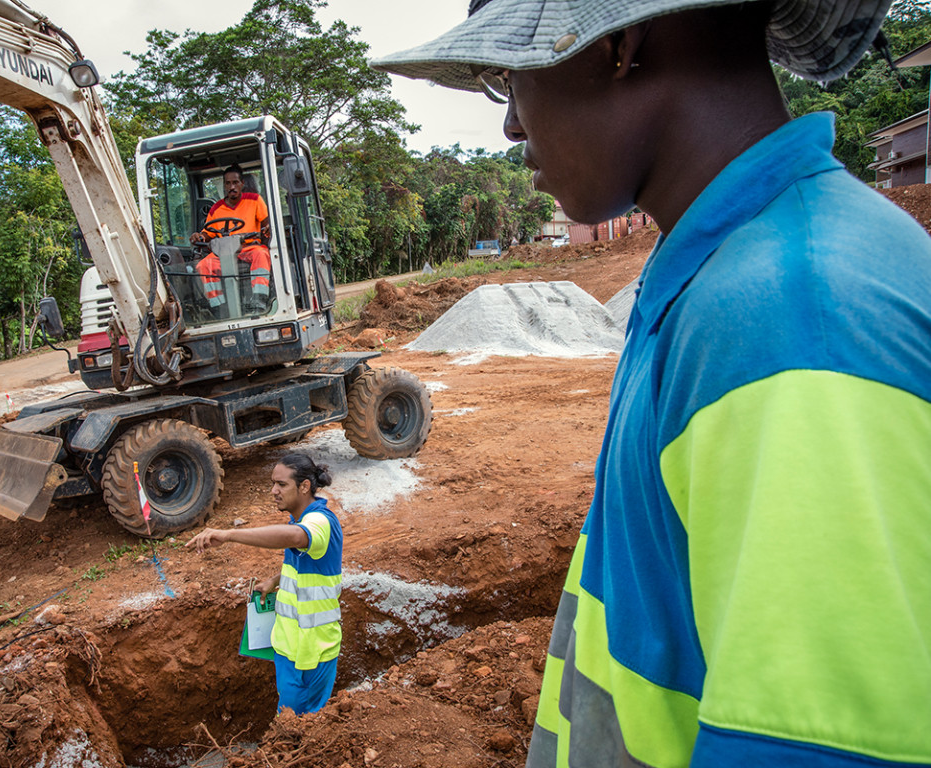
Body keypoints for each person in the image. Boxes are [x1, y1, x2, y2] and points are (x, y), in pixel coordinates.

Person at [376, 2, 931, 767]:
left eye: (512, 78)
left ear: (617, 45)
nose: (509, 126)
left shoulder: (788, 316)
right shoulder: (728, 276)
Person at [187, 453, 342, 715]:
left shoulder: (320, 522)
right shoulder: (302, 519)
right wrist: (275, 580)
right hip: (289, 648)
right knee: (290, 716)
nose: (273, 491)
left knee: (300, 724)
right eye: (273, 483)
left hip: (312, 652)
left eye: (282, 485)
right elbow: (311, 565)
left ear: (304, 486)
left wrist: (228, 535)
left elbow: (295, 538)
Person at [189, 164, 273, 315]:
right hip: (223, 252)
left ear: (242, 184)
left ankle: (259, 299)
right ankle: (219, 306)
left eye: (235, 182)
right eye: (227, 183)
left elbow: (267, 225)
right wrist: (199, 236)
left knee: (262, 254)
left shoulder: (255, 200)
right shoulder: (216, 208)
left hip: (248, 247)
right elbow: (207, 233)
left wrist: (267, 230)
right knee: (204, 265)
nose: (231, 187)